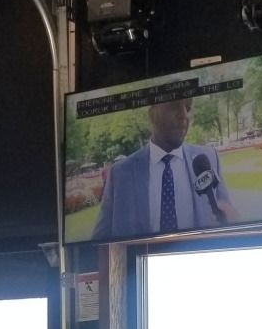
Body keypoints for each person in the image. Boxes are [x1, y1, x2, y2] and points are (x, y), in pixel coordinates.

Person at [87, 96, 237, 240]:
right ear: (153, 114)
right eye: (175, 106)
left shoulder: (208, 157)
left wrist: (233, 223)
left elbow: (229, 219)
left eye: (188, 108)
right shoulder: (120, 174)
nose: (184, 115)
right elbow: (96, 244)